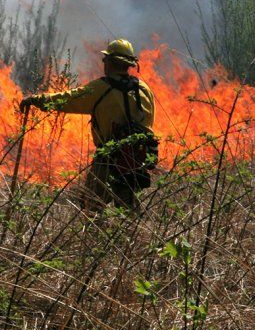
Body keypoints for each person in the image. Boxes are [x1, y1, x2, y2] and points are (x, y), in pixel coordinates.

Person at [20, 39, 157, 212]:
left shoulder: (101, 88)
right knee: (127, 204)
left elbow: (67, 100)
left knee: (91, 205)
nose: (103, 63)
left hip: (109, 158)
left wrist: (36, 100)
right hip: (138, 157)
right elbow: (149, 123)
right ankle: (135, 237)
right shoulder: (144, 89)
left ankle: (96, 237)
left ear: (110, 63)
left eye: (105, 60)